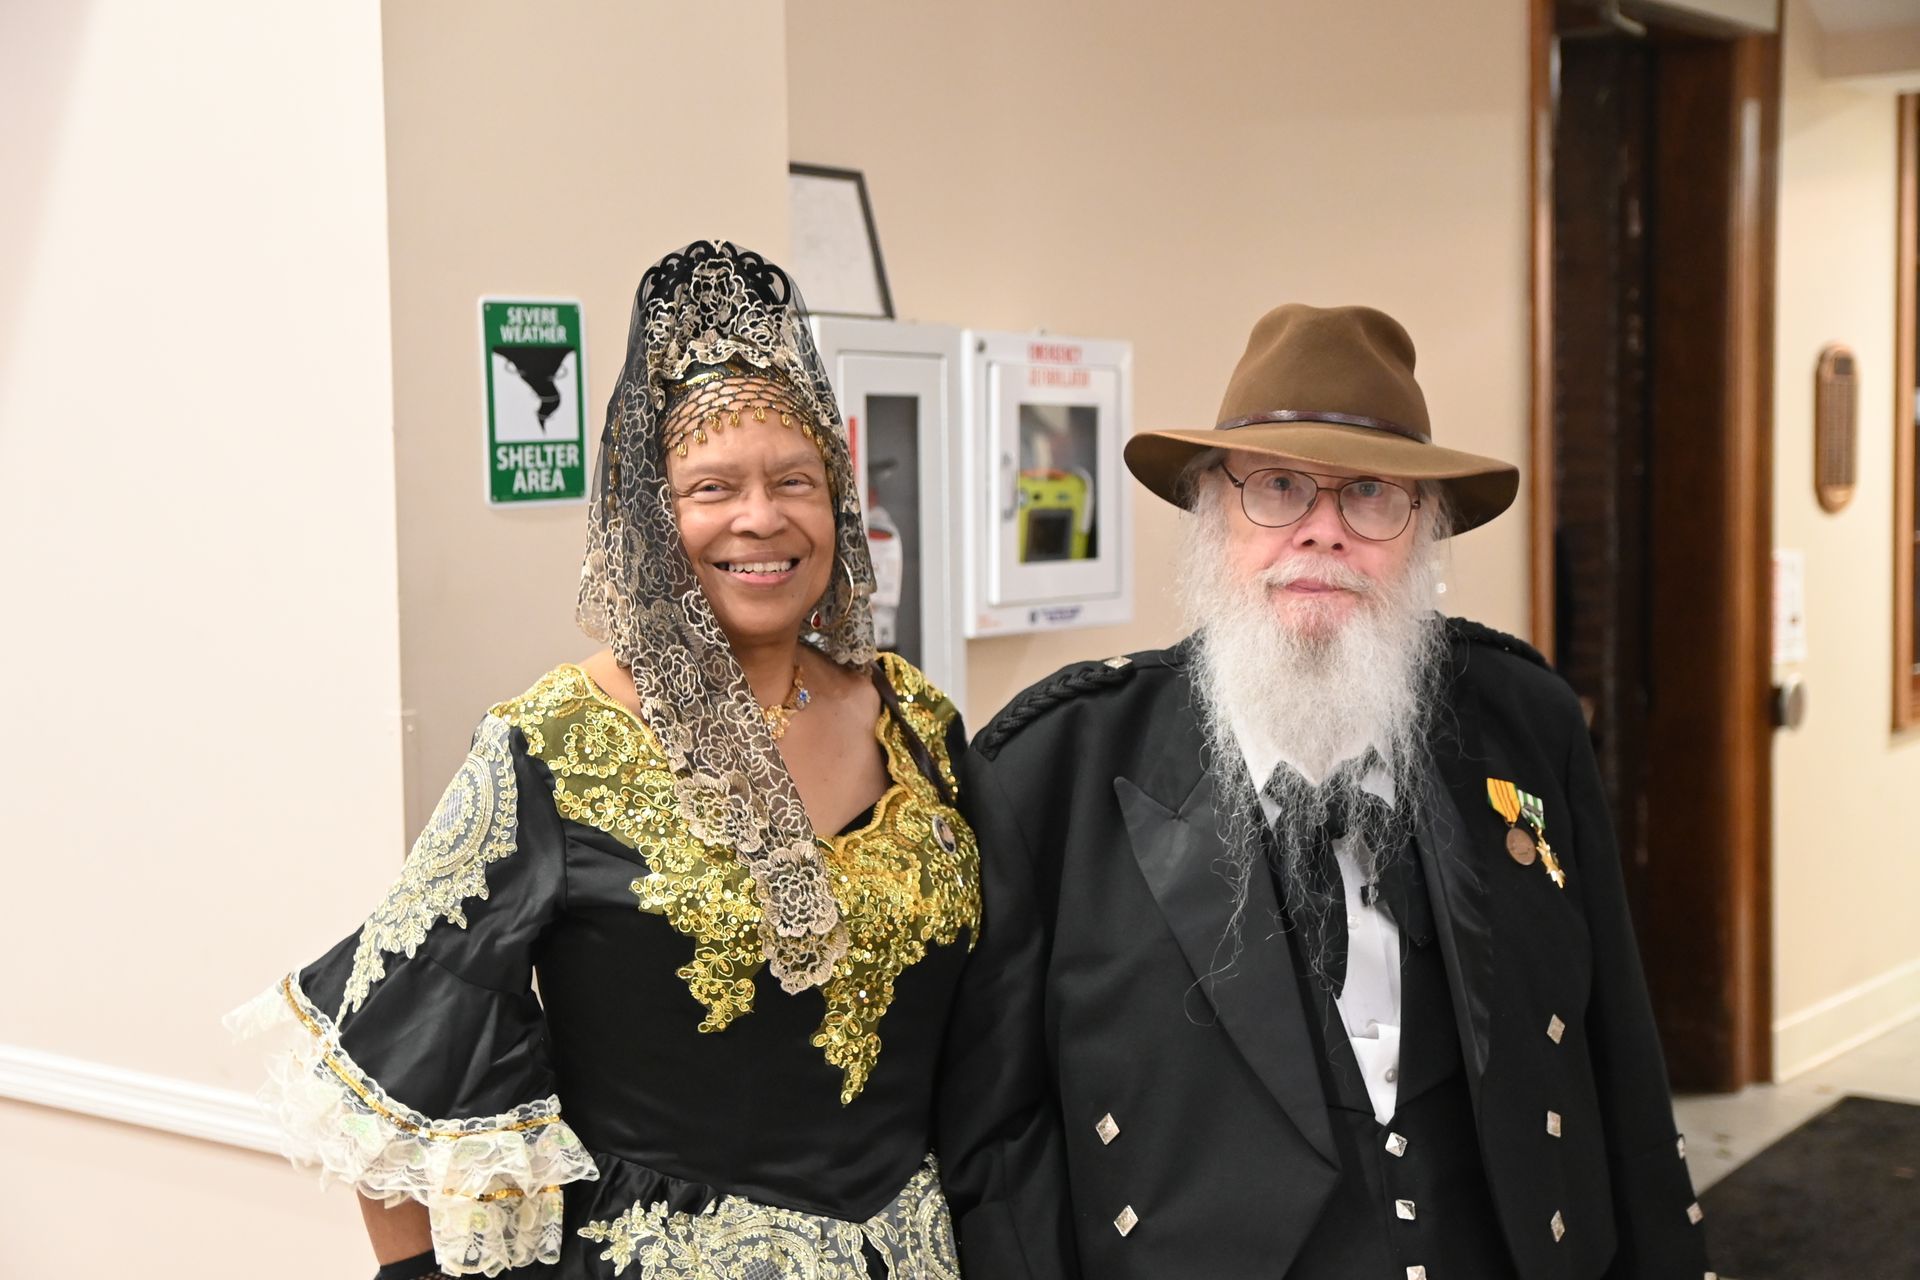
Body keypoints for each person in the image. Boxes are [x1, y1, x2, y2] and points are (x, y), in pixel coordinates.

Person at [231, 240, 979, 1278]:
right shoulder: (553, 744)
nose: (761, 518)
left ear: (837, 503)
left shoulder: (917, 720)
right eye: (712, 486)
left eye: (794, 481)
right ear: (649, 516)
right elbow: (399, 1044)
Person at [940, 304, 1712, 1278]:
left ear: (1425, 529)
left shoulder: (1524, 722)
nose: (1323, 532)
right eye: (1278, 487)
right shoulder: (1054, 771)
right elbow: (999, 1145)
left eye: (1371, 495)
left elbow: (1618, 1056)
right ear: (1211, 509)